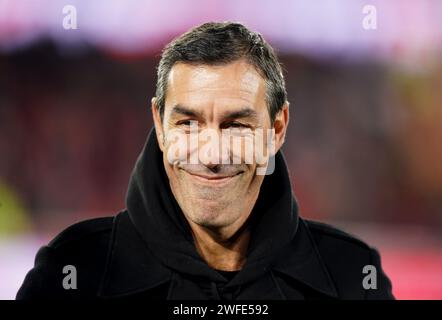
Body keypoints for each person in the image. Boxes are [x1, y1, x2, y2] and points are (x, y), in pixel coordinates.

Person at [17, 22, 394, 300]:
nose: (212, 155)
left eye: (236, 125)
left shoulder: (350, 276)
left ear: (277, 129)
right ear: (159, 127)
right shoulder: (72, 271)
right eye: (188, 123)